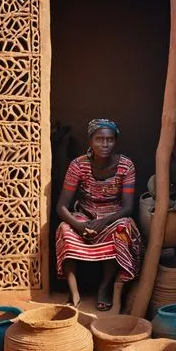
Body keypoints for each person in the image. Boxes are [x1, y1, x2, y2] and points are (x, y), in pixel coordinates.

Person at [55, 119, 142, 311]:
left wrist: (103, 222)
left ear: (115, 141)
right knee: (64, 229)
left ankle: (105, 287)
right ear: (90, 141)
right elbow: (62, 206)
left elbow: (127, 207)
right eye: (99, 139)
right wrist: (78, 225)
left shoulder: (126, 165)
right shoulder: (78, 165)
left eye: (109, 140)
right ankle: (74, 291)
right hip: (85, 215)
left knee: (123, 228)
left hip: (114, 215)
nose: (104, 144)